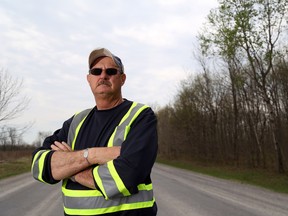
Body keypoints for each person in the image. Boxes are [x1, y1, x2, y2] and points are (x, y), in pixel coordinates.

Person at [31, 47, 158, 216]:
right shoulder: (76, 122)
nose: (103, 76)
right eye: (96, 71)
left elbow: (125, 177)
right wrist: (91, 155)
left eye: (111, 71)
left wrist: (69, 169)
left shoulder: (140, 116)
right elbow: (39, 166)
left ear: (122, 79)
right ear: (89, 79)